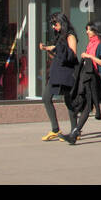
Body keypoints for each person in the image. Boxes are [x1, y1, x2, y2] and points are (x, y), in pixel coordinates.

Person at [39, 11, 78, 141]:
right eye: (52, 24)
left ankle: (74, 130)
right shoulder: (59, 36)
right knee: (46, 97)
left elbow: (72, 55)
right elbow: (57, 56)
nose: (53, 27)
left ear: (62, 22)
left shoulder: (70, 35)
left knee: (69, 101)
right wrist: (48, 50)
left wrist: (55, 48)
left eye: (55, 24)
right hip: (56, 72)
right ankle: (55, 129)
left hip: (66, 72)